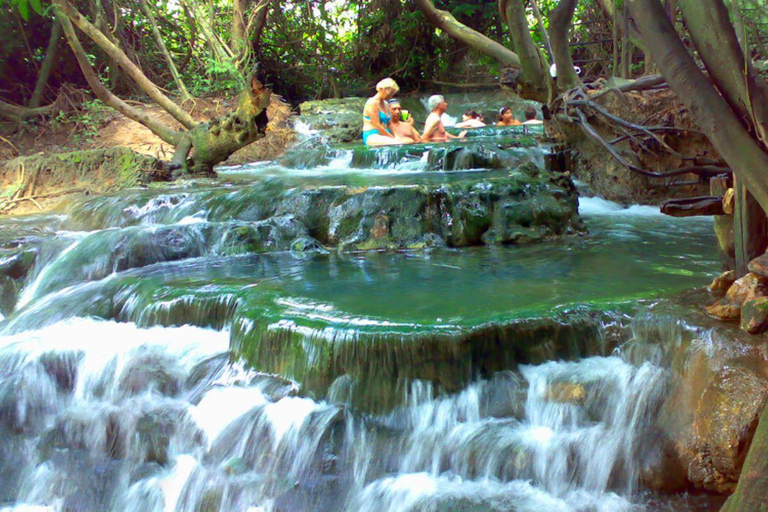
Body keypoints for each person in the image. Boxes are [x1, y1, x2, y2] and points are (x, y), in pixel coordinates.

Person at [362, 78, 403, 146]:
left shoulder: (386, 104)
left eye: (392, 94)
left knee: (405, 140)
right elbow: (376, 125)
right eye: (390, 93)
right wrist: (392, 137)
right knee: (397, 143)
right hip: (372, 135)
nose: (391, 96)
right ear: (383, 89)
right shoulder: (372, 103)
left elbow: (390, 123)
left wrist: (397, 134)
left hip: (386, 133)